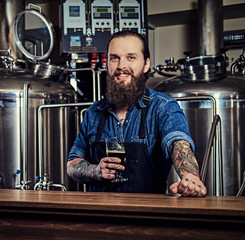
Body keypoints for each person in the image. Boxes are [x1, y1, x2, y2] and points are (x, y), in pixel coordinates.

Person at [67, 30, 207, 197]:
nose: (121, 66)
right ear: (107, 64)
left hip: (146, 215)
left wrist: (189, 177)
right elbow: (72, 164)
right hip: (99, 214)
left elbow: (178, 143)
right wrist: (94, 170)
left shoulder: (162, 107)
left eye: (131, 57)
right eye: (114, 58)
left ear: (146, 64)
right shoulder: (93, 113)